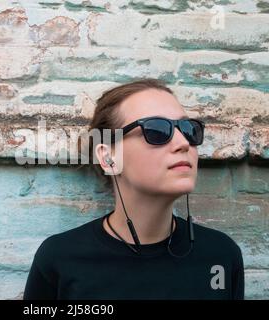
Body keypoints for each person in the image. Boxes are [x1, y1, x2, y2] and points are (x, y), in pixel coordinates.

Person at [23, 78, 244, 300]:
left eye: (189, 129)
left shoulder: (221, 256)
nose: (183, 143)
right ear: (109, 157)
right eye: (156, 130)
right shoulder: (60, 260)